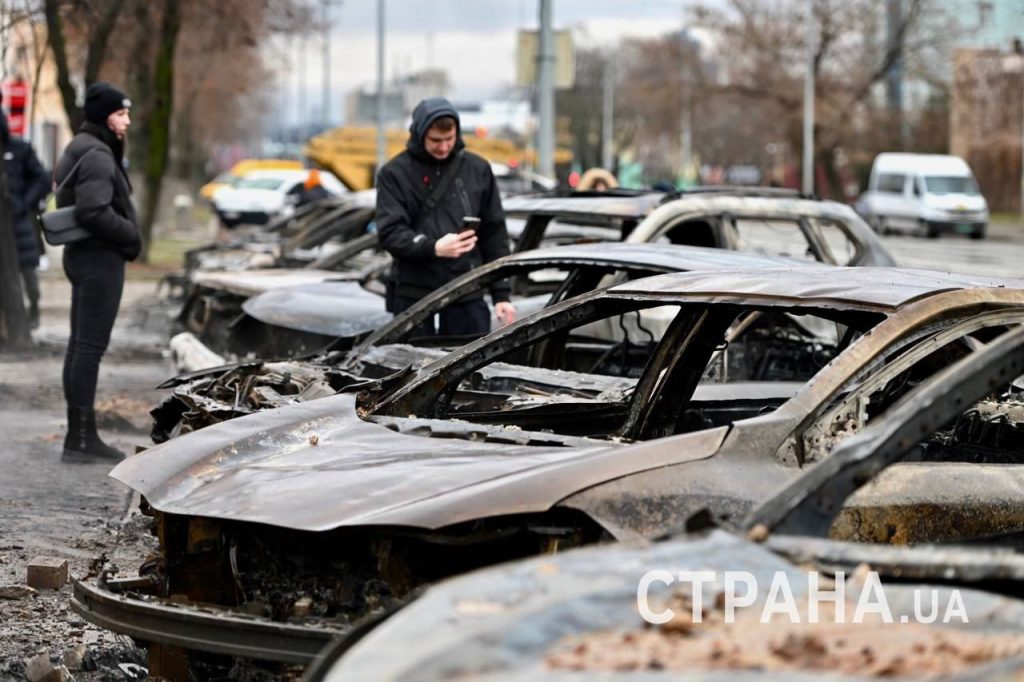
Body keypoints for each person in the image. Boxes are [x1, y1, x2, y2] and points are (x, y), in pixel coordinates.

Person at [376, 97, 515, 337]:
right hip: (413, 297)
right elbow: (389, 232)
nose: (443, 147)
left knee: (470, 370)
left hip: (466, 293)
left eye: (449, 139)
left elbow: (494, 233)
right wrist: (433, 248)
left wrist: (501, 295)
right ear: (420, 134)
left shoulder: (477, 169)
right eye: (435, 140)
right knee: (412, 370)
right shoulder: (394, 173)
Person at [53, 82, 141, 462]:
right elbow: (93, 211)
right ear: (106, 116)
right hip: (99, 260)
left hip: (83, 257)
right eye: (121, 114)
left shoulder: (80, 146)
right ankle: (82, 439)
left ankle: (80, 435)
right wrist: (131, 235)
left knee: (80, 348)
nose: (127, 121)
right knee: (88, 349)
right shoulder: (98, 155)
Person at [1, 109, 50, 329]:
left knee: (28, 270)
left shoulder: (19, 149)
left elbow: (42, 179)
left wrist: (24, 203)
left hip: (19, 221)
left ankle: (34, 310)